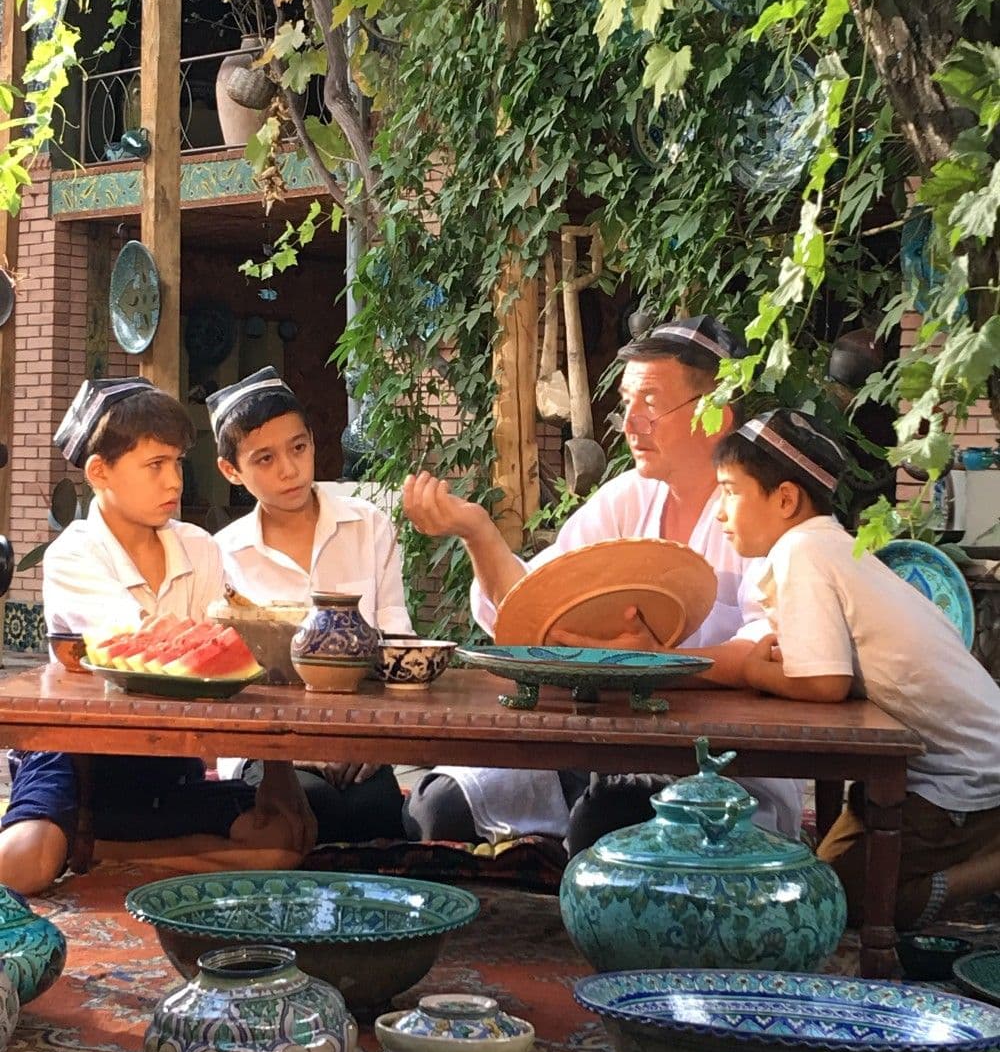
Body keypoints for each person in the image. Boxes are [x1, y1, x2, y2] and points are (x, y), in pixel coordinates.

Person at [402, 315, 802, 853]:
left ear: (715, 416)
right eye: (626, 404)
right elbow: (533, 605)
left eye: (651, 404)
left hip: (718, 764)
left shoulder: (760, 515)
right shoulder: (627, 498)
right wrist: (477, 532)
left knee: (608, 824)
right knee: (436, 803)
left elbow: (773, 648)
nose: (630, 423)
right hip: (597, 746)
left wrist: (656, 668)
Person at [0, 378, 317, 896]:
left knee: (284, 841)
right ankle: (100, 843)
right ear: (100, 472)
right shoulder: (73, 553)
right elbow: (141, 652)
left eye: (176, 462)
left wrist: (279, 779)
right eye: (155, 466)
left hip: (168, 757)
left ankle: (100, 850)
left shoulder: (199, 548)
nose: (174, 481)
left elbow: (231, 658)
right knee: (23, 866)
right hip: (77, 757)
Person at [714, 406, 1000, 930]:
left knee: (839, 904)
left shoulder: (802, 550)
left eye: (731, 491)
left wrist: (752, 673)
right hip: (927, 769)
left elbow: (824, 683)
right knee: (819, 885)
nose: (720, 511)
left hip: (967, 776)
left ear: (784, 499)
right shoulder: (827, 545)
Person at [210, 366, 409, 843]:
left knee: (380, 813)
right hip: (269, 748)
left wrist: (373, 738)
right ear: (231, 471)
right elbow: (227, 680)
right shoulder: (219, 555)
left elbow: (395, 639)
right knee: (310, 811)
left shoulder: (369, 527)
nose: (289, 469)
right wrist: (297, 748)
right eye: (264, 458)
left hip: (364, 738)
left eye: (298, 447)